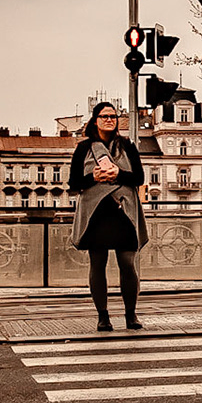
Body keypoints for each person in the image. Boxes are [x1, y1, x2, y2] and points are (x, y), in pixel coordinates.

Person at [69, 101, 146, 331]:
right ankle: (103, 316)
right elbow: (74, 183)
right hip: (97, 212)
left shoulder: (127, 146)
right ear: (95, 120)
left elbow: (139, 178)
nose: (109, 120)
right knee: (98, 263)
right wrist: (94, 176)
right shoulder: (84, 148)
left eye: (113, 116)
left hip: (123, 211)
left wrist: (118, 173)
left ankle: (131, 315)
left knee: (127, 263)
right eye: (104, 116)